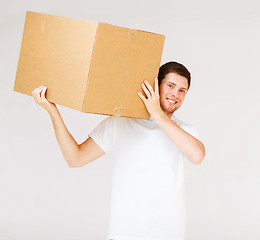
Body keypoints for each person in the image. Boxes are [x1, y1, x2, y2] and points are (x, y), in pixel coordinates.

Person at [32, 61, 205, 240]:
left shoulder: (186, 131)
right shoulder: (120, 122)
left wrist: (158, 115)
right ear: (156, 86)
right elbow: (75, 158)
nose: (175, 94)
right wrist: (52, 111)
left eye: (182, 90)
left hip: (169, 234)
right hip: (124, 233)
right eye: (170, 86)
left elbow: (197, 156)